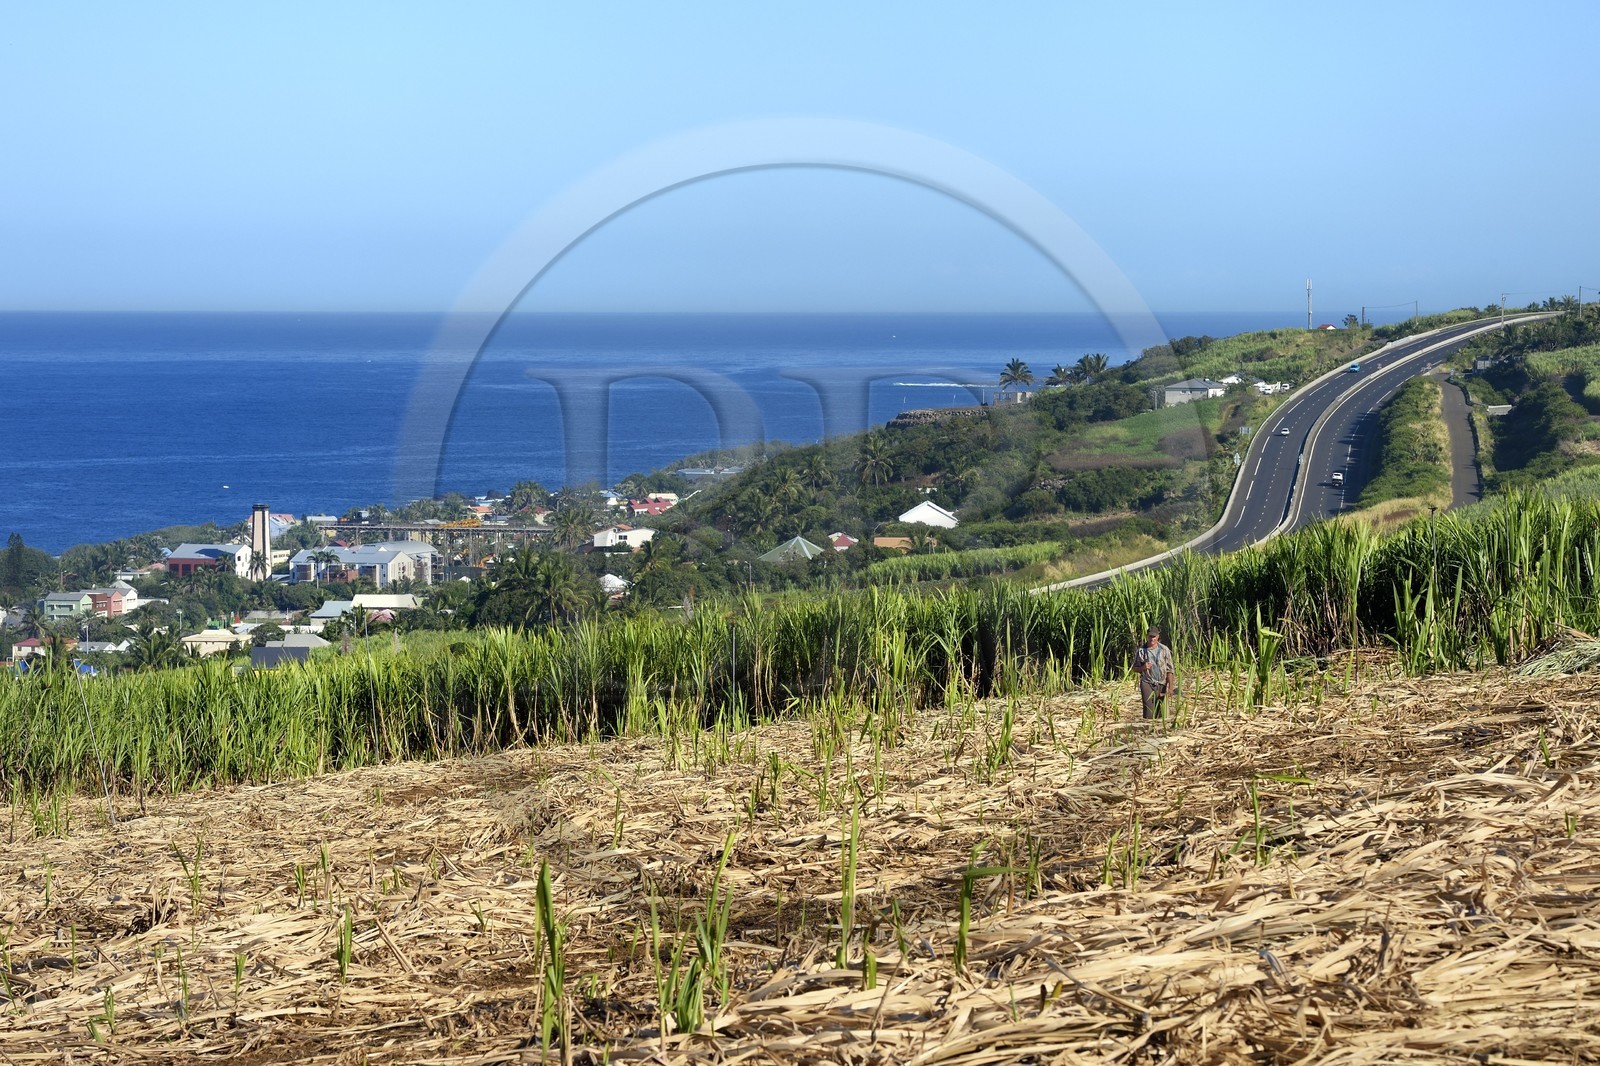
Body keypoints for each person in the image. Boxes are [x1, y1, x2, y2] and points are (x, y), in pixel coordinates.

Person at [1133, 626, 1176, 721]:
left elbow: (1170, 670)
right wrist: (1143, 668)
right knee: (1149, 712)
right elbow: (1134, 668)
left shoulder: (1164, 650)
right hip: (1147, 682)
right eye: (1150, 636)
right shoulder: (1141, 651)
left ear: (1158, 637)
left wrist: (1171, 688)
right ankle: (1147, 730)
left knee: (1161, 713)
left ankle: (1159, 732)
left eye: (1154, 637)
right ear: (1147, 636)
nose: (1152, 639)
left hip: (1161, 683)